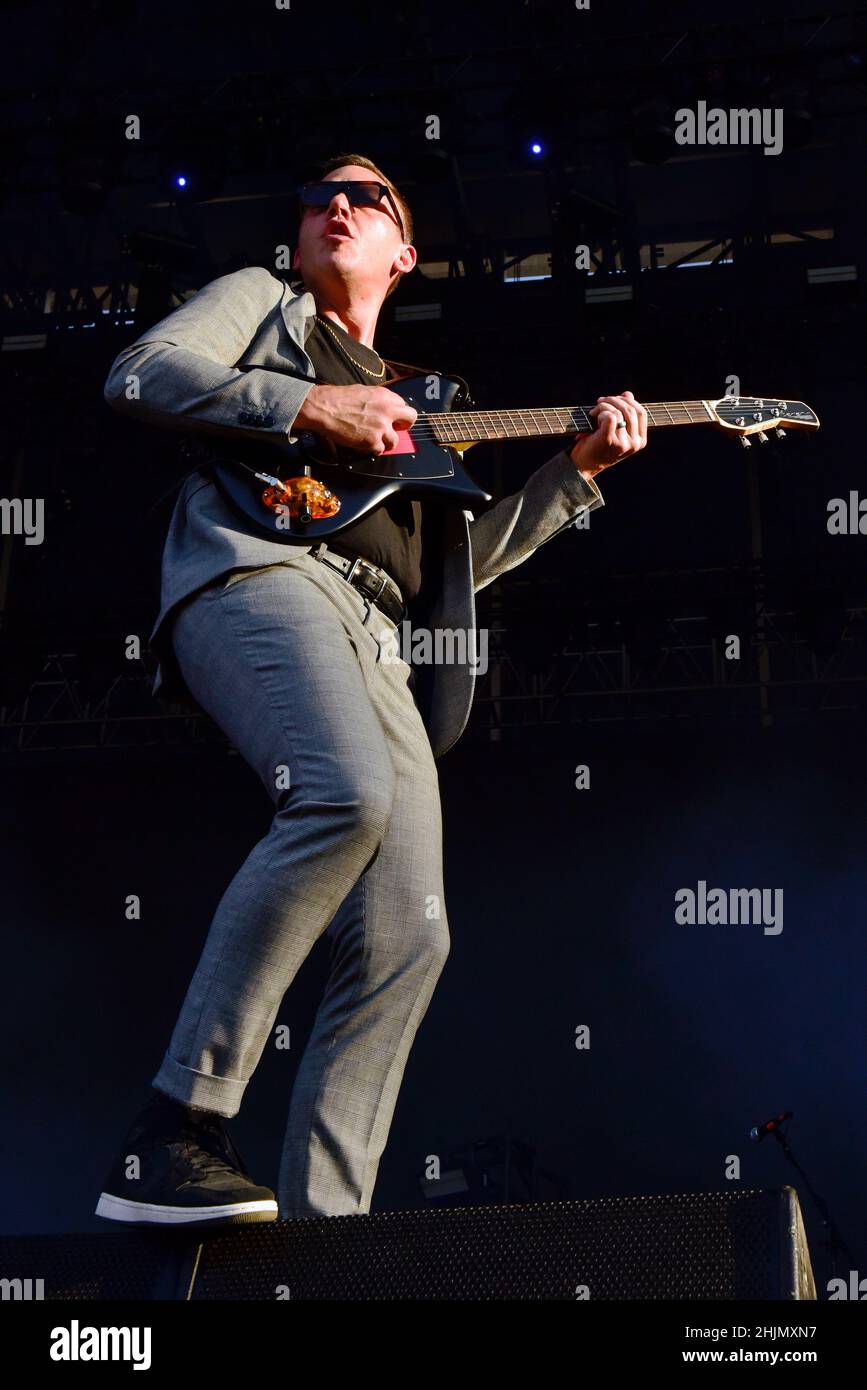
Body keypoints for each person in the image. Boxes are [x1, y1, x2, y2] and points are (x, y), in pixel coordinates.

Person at [95, 153, 648, 1227]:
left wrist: (573, 477)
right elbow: (138, 372)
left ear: (405, 250)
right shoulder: (266, 306)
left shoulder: (430, 411)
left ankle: (324, 1238)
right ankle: (173, 1125)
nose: (334, 208)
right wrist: (310, 405)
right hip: (260, 575)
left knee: (411, 931)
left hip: (380, 636)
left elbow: (454, 569)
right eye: (315, 199)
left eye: (365, 198)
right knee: (342, 794)